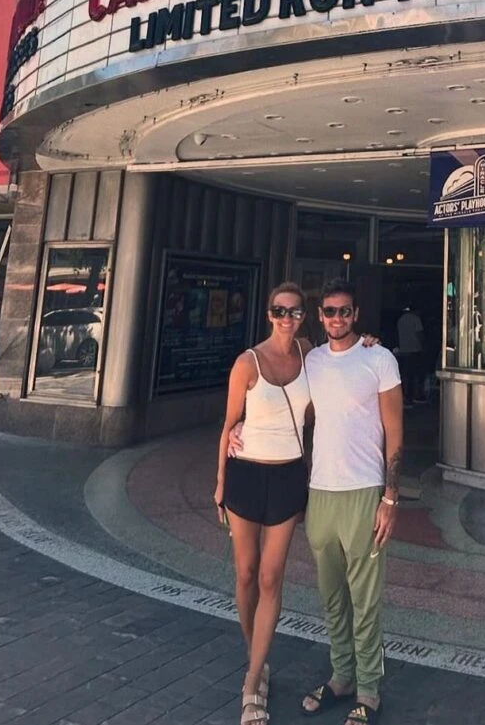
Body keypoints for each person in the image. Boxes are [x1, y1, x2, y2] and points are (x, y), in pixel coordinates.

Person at [230, 279, 403, 725]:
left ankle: (369, 689)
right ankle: (342, 676)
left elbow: (395, 431)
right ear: (320, 316)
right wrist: (240, 427)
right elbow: (275, 399)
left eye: (345, 311)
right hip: (320, 492)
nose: (337, 318)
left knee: (364, 599)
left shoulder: (379, 358)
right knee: (332, 597)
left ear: (356, 314)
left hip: (364, 491)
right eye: (329, 311)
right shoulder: (312, 358)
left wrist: (390, 496)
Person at [214, 282, 313, 725]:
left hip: (288, 475)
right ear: (269, 314)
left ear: (304, 316)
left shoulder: (310, 355)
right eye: (279, 310)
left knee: (272, 577)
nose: (287, 318)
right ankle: (256, 655)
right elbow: (229, 424)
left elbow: (346, 358)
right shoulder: (247, 363)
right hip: (246, 474)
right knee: (246, 572)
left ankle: (253, 681)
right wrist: (220, 483)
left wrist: (368, 341)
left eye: (295, 311)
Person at [395, 303, 424, 407]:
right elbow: (419, 334)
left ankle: (406, 396)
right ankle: (416, 395)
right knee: (416, 374)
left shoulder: (401, 320)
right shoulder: (416, 319)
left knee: (405, 374)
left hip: (404, 349)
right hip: (415, 349)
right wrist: (422, 346)